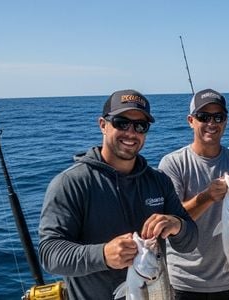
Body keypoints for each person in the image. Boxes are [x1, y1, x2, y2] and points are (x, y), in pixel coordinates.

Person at [38, 89, 198, 299]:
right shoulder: (71, 183)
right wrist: (103, 254)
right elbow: (50, 253)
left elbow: (190, 241)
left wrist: (178, 226)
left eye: (140, 126)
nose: (131, 133)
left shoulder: (159, 181)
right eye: (122, 123)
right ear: (103, 125)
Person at [158, 88, 229, 299]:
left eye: (218, 117)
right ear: (191, 120)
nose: (212, 123)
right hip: (185, 280)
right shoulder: (173, 163)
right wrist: (207, 197)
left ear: (226, 122)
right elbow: (171, 219)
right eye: (204, 117)